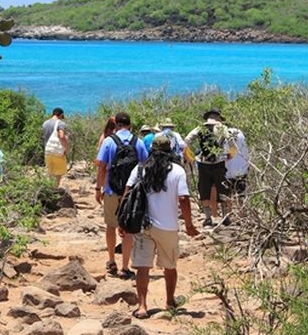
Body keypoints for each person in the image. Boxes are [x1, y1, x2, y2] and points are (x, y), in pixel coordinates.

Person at [121, 134, 199, 319]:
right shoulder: (177, 171)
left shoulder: (140, 169)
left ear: (151, 150)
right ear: (170, 150)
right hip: (168, 227)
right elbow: (183, 199)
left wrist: (122, 222)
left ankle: (142, 306)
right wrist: (189, 224)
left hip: (142, 225)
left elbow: (127, 194)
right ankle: (169, 301)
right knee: (170, 266)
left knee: (142, 267)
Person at [96, 111, 149, 279]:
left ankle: (112, 260)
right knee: (128, 229)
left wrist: (98, 189)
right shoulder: (138, 142)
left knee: (111, 226)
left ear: (116, 124)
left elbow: (102, 167)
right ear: (130, 124)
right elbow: (145, 165)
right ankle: (125, 267)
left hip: (112, 190)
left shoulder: (108, 142)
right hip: (132, 192)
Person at [184, 109, 235, 227]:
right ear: (217, 117)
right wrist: (229, 156)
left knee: (204, 190)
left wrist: (190, 157)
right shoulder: (222, 128)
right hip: (219, 163)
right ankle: (225, 217)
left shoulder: (200, 128)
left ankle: (208, 218)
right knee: (223, 189)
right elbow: (232, 143)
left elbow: (186, 141)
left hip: (203, 163)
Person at [223, 126, 249, 219]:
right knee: (241, 194)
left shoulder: (225, 135)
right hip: (242, 169)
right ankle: (242, 216)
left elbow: (230, 152)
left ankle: (228, 216)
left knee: (228, 194)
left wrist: (222, 158)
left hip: (228, 170)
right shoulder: (240, 134)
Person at [42, 107, 69, 187]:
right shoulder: (60, 123)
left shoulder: (45, 123)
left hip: (47, 151)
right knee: (58, 175)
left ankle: (49, 191)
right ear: (61, 115)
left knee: (50, 174)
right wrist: (66, 148)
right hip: (57, 152)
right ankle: (54, 191)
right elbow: (61, 136)